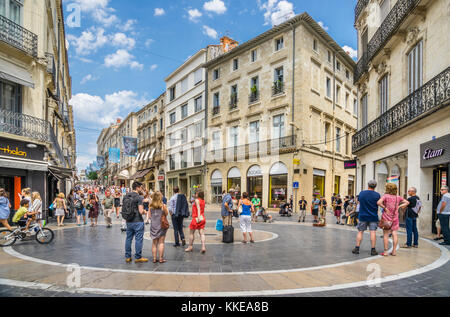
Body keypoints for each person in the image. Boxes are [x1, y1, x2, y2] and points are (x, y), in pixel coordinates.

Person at [377, 183, 409, 256]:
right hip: (395, 218)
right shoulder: (398, 197)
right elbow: (407, 202)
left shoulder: (385, 196)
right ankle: (394, 251)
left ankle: (385, 252)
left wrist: (384, 207)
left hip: (386, 217)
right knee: (395, 234)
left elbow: (378, 202)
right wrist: (399, 206)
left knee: (385, 235)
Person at [352, 180, 381, 256]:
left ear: (368, 185)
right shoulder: (377, 195)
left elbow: (359, 201)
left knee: (360, 231)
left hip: (363, 215)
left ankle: (357, 248)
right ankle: (373, 249)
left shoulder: (362, 193)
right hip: (373, 216)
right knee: (373, 232)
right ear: (375, 186)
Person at [124, 182, 148, 263]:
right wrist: (145, 211)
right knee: (138, 239)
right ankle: (138, 257)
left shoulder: (126, 196)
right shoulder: (139, 197)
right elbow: (141, 211)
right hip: (138, 221)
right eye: (141, 187)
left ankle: (128, 256)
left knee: (128, 238)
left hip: (128, 220)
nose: (141, 189)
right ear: (137, 188)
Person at [150, 191, 169, 263]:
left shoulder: (150, 206)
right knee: (161, 242)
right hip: (161, 226)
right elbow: (166, 214)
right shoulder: (163, 206)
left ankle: (154, 258)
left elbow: (149, 216)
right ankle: (161, 258)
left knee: (154, 243)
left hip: (153, 226)